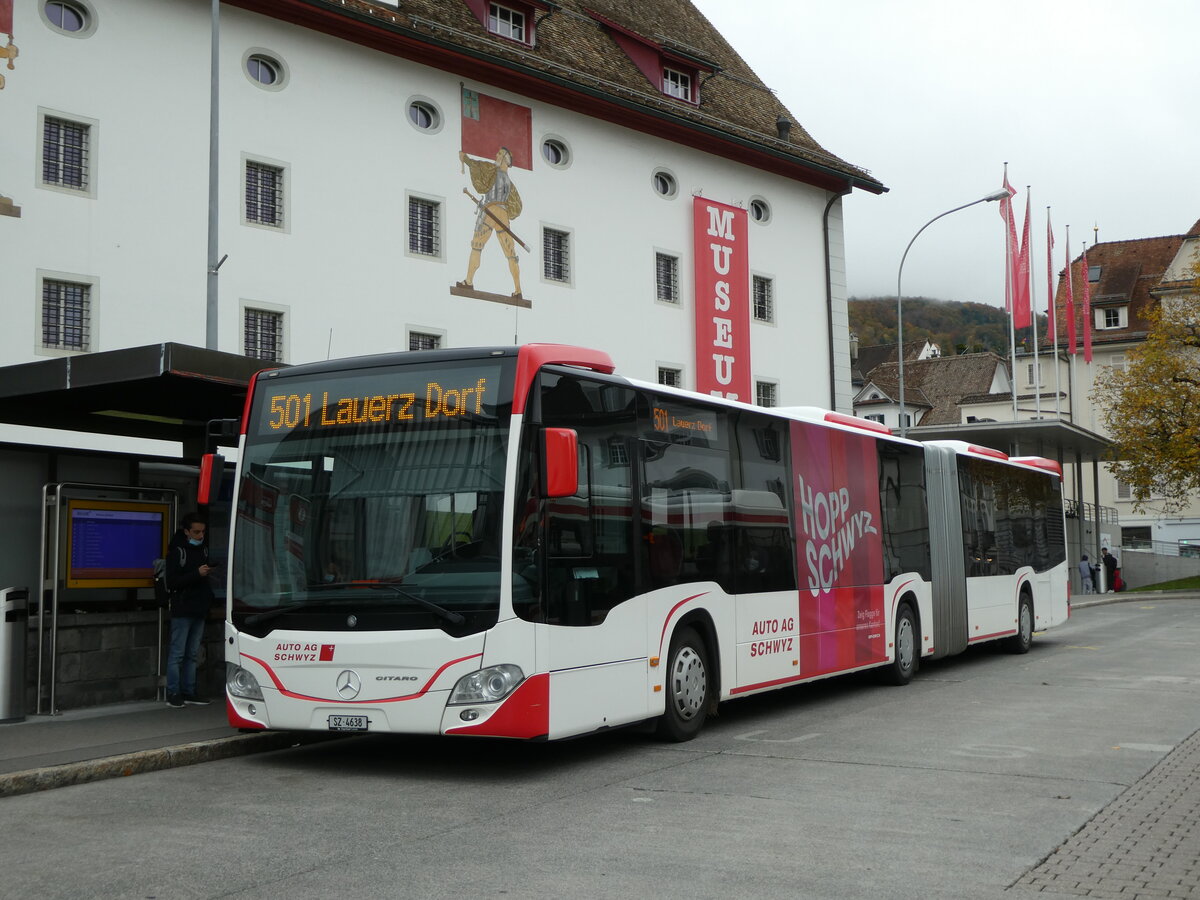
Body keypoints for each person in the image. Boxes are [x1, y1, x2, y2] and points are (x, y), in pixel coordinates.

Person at [164, 513, 217, 708]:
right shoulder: (177, 551)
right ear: (186, 531)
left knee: (192, 653)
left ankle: (189, 691)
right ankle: (173, 692)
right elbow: (172, 581)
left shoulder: (203, 549)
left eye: (202, 531)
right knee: (178, 653)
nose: (200, 535)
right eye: (196, 532)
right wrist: (197, 573)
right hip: (183, 607)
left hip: (199, 607)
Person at [458, 147, 523, 298]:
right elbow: (516, 205)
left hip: (490, 211)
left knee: (477, 245)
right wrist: (466, 159)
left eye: (500, 154)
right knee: (510, 253)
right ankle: (518, 290)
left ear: (506, 159)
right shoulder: (510, 184)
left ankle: (469, 282)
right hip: (503, 215)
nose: (496, 155)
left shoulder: (493, 171)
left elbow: (477, 165)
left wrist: (465, 159)